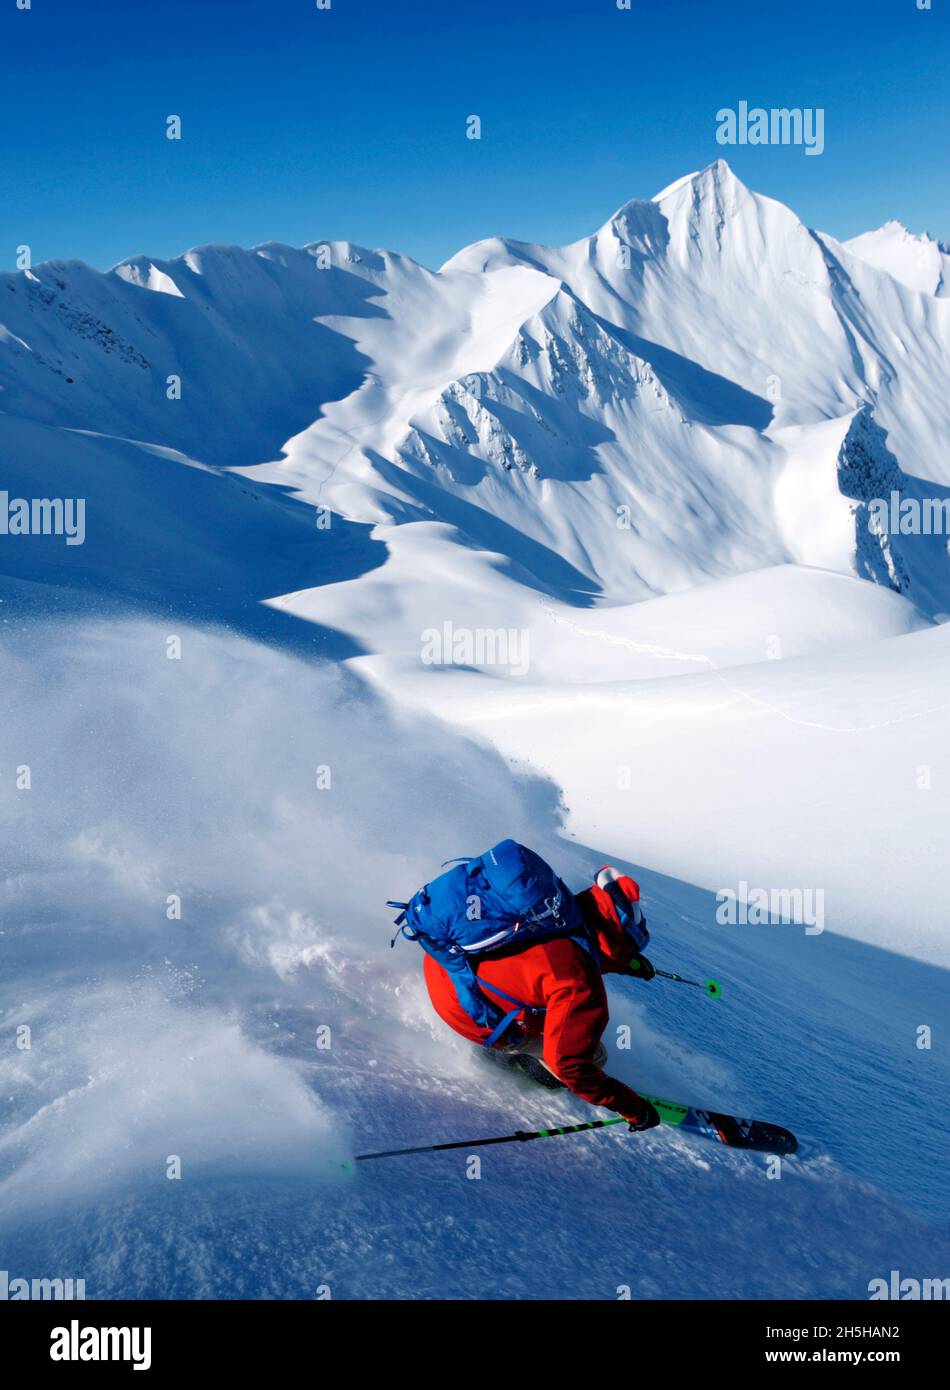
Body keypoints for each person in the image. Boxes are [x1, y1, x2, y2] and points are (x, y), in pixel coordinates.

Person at [422, 865, 661, 1131]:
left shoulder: (552, 909)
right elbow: (570, 1065)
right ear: (622, 937)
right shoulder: (581, 984)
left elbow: (554, 955)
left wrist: (623, 963)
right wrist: (634, 1109)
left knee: (545, 994)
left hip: (442, 967)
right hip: (462, 1012)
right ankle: (509, 1059)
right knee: (592, 1055)